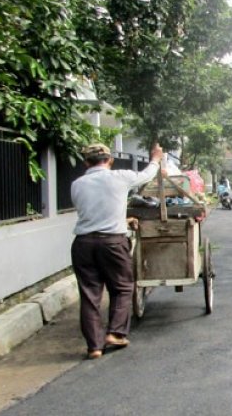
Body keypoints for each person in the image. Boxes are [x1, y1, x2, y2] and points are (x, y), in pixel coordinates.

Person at [71, 143, 164, 359]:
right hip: (112, 243)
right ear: (110, 160)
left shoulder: (77, 185)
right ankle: (115, 332)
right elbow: (147, 174)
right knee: (122, 287)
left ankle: (94, 347)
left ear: (86, 162)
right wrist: (156, 158)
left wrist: (124, 219)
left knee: (89, 295)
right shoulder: (120, 176)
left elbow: (94, 212)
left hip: (83, 244)